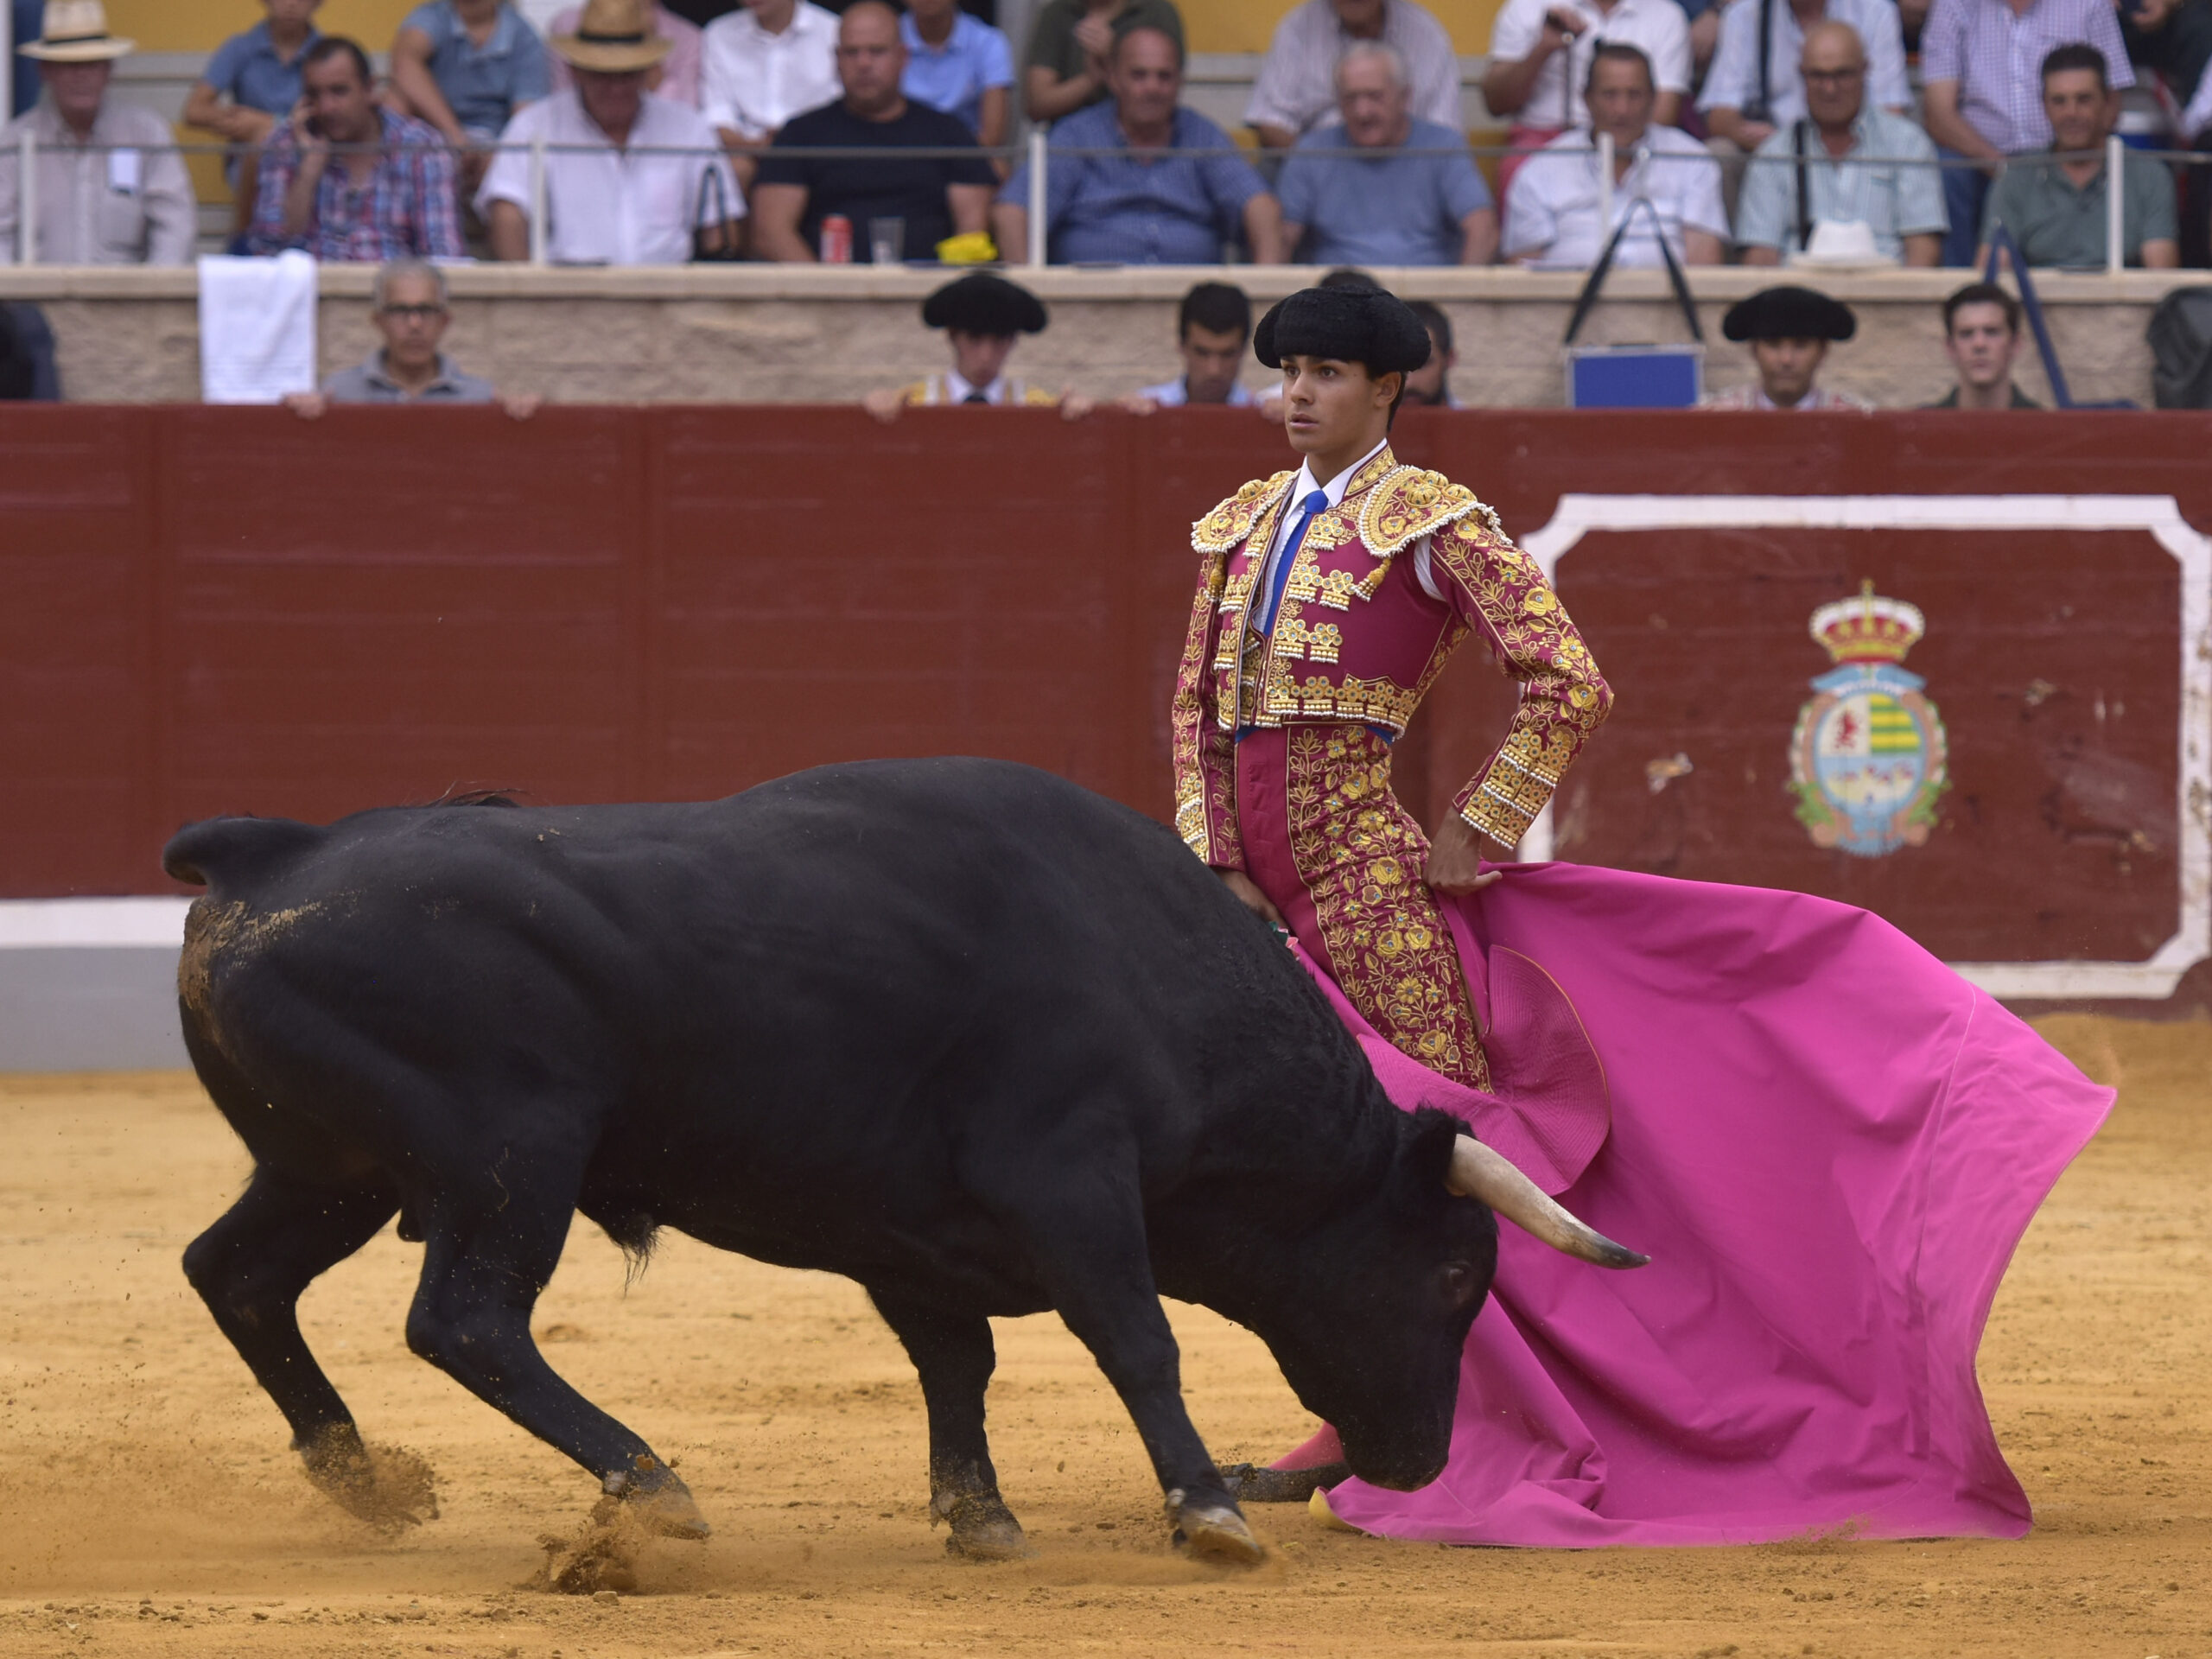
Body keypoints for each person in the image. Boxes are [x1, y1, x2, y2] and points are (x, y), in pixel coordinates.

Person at [1174, 279, 2111, 1554]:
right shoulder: (1235, 528)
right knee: (1312, 1165)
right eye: (1289, 370)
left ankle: (1471, 1422)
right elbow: (1195, 714)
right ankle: (1352, 1413)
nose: (1296, 392)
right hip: (1247, 898)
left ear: (1388, 388)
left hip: (1372, 894)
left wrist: (1484, 821)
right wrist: (1212, 858)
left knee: (1429, 1166)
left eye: (1327, 373)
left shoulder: (1434, 523)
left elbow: (1568, 680)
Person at [992, 24, 1286, 265]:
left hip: (1194, 305)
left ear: (1180, 81)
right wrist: (1031, 294)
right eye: (1139, 75)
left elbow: (1261, 206)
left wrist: (1265, 305)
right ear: (1113, 78)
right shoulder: (1076, 135)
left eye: (1164, 76)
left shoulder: (1202, 134)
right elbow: (1012, 211)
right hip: (1091, 301)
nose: (1153, 88)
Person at [480, 0, 741, 264]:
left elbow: (720, 226)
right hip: (567, 293)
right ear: (576, 72)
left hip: (667, 292)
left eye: (626, 75)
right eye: (602, 75)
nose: (615, 88)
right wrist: (532, 293)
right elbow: (506, 214)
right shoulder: (535, 125)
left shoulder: (688, 128)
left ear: (647, 73)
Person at [752, 2, 995, 262]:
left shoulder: (948, 133)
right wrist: (822, 290)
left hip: (930, 293)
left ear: (904, 57)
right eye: (852, 52)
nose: (864, 63)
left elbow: (973, 232)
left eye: (877, 51)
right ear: (836, 60)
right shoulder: (801, 135)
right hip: (821, 294)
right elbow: (772, 232)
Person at [1921, 0, 2133, 265]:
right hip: (1980, 160)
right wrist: (2005, 169)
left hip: (2063, 157)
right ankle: (1964, 293)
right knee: (1947, 171)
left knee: (2098, 169)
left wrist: (2062, 160)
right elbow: (1938, 115)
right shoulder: (1953, 6)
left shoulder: (2090, 4)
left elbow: (2109, 102)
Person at [0, 0, 195, 266]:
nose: (81, 76)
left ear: (109, 69)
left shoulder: (146, 133)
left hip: (127, 302)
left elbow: (175, 225)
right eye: (68, 65)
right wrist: (15, 299)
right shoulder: (14, 141)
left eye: (92, 63)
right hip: (33, 303)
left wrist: (152, 294)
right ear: (45, 71)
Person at [1734, 22, 1945, 267]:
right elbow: (1760, 259)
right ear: (1802, 74)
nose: (1830, 88)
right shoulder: (1774, 155)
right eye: (1818, 75)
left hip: (1885, 297)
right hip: (1798, 300)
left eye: (1842, 74)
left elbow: (1924, 254)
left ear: (1865, 70)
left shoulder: (1908, 144)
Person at [1503, 43, 1726, 266]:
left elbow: (1704, 264)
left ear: (1652, 98)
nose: (1622, 109)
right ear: (1587, 99)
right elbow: (1522, 269)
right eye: (1610, 95)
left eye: (1634, 95)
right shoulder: (1542, 168)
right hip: (1569, 300)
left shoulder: (1692, 160)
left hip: (1665, 300)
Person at [1277, 42, 1497, 266]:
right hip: (1337, 294)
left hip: (1424, 295)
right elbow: (1282, 238)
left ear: (1405, 96)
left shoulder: (1443, 145)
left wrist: (1460, 296)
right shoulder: (1312, 151)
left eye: (1375, 96)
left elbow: (1483, 229)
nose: (1362, 111)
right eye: (1350, 98)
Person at [246, 36, 466, 261]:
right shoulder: (286, 144)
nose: (326, 107)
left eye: (339, 91)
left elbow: (444, 256)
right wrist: (308, 173)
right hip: (310, 290)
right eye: (314, 94)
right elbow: (267, 252)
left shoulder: (422, 147)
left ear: (370, 89)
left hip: (391, 289)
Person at [1978, 43, 2179, 269]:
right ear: (2044, 105)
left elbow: (2160, 278)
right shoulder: (2016, 175)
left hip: (2124, 301)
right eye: (2059, 101)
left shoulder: (2149, 175)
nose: (2071, 113)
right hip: (2034, 302)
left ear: (2107, 102)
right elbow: (1991, 275)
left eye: (2083, 99)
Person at [1484, 0, 1691, 202]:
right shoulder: (1527, 6)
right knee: (1517, 168)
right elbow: (1496, 104)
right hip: (1544, 140)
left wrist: (1611, 149)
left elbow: (1662, 116)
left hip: (1632, 143)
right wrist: (1543, 47)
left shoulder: (1666, 15)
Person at [284, 259, 543, 415]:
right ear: (379, 321)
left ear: (444, 321)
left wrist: (523, 414)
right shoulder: (339, 394)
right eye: (400, 311)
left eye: (426, 310)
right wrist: (297, 412)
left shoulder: (480, 398)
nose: (415, 324)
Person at [183, 0, 325, 239]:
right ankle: (246, 240)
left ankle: (247, 241)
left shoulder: (326, 51)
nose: (290, 5)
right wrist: (237, 120)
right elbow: (194, 110)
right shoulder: (241, 47)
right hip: (249, 162)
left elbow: (338, 116)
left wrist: (269, 124)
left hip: (310, 153)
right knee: (260, 140)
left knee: (264, 137)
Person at [862, 270, 1091, 417]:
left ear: (1013, 341)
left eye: (999, 341)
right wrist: (875, 409)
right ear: (952, 336)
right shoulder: (909, 404)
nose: (986, 356)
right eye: (974, 339)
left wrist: (1080, 413)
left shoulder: (1041, 408)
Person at [1245, 0, 1462, 150]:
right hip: (1318, 166)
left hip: (1406, 171)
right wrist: (1315, 170)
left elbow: (1445, 135)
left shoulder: (1426, 34)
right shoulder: (1297, 28)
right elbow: (1270, 123)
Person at [1699, 0, 1908, 154]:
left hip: (1855, 150)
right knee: (1721, 151)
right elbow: (1720, 116)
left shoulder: (1877, 12)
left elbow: (1890, 114)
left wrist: (1830, 147)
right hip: (1769, 154)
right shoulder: (1743, 14)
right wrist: (1772, 143)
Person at [389, 0, 550, 191]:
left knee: (516, 157)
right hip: (434, 134)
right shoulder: (432, 16)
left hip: (493, 142)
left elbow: (525, 119)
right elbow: (405, 62)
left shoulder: (525, 38)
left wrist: (498, 156)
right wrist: (455, 137)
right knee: (393, 101)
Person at [701, 0, 839, 185]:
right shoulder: (718, 34)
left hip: (817, 150)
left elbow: (843, 109)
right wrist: (756, 147)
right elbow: (717, 114)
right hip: (746, 153)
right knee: (733, 169)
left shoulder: (834, 30)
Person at [1699, 283, 1871, 408]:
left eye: (1801, 346)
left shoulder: (1855, 420)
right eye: (1773, 345)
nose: (1786, 360)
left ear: (1822, 351)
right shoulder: (1715, 418)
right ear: (1754, 350)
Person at [1023, 0, 1184, 124]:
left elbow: (1164, 93)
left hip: (1145, 141)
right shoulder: (1057, 12)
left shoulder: (1158, 12)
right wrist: (1092, 79)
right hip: (1071, 143)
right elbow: (1038, 106)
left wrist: (1114, 57)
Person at [1122, 280, 1259, 411]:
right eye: (1202, 353)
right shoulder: (1145, 407)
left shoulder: (1264, 412)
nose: (1214, 370)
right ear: (1181, 345)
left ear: (1243, 349)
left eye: (1227, 354)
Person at [899, 0, 1013, 149]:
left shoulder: (989, 42)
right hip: (902, 151)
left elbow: (992, 138)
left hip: (966, 154)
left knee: (998, 167)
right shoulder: (880, 40)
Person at [546, 0, 702, 105]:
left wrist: (649, 50)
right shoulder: (565, 27)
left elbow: (682, 121)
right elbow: (564, 108)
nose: (616, 86)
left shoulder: (688, 37)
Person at [1924, 279, 2040, 407]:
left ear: (2015, 344)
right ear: (1950, 347)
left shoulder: (2046, 426)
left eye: (1992, 332)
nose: (1979, 344)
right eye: (1966, 334)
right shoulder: (1920, 426)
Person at [1402, 298, 1462, 406]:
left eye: (1423, 365)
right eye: (1399, 366)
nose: (1409, 383)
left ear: (1449, 359)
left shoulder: (1470, 423)